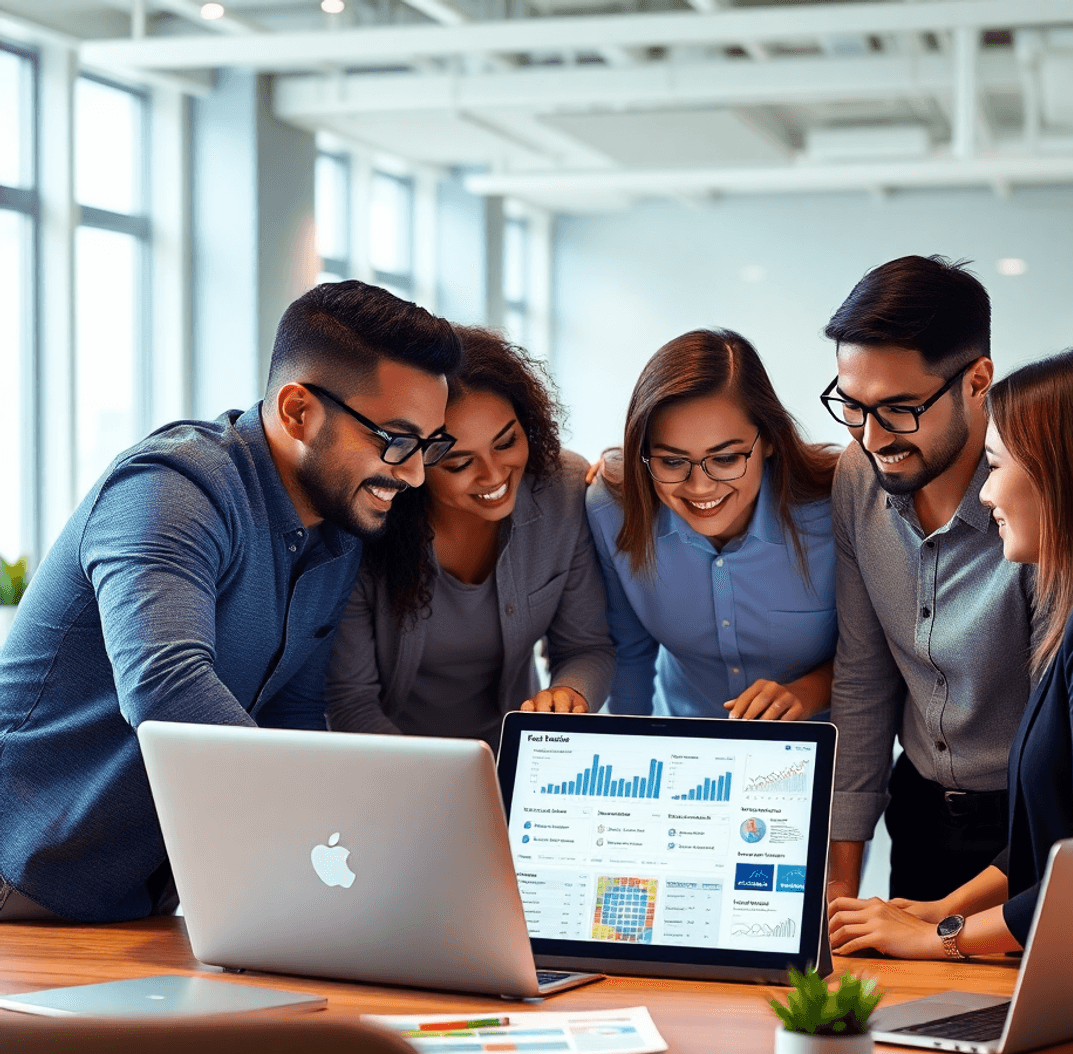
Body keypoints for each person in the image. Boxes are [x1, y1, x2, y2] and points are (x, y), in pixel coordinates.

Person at [0, 281, 461, 922]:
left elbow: (292, 718)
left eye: (430, 446)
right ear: (298, 411)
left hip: (139, 901)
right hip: (21, 879)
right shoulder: (174, 488)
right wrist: (319, 826)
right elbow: (165, 686)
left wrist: (330, 876)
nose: (413, 474)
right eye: (397, 439)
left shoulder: (336, 533)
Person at [828, 345, 1073, 965]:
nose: (987, 494)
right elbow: (1057, 838)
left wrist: (938, 938)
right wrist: (944, 911)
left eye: (996, 467)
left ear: (1070, 473)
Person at [823, 255, 1039, 904]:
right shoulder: (856, 479)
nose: (871, 436)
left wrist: (948, 921)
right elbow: (863, 679)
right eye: (853, 407)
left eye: (899, 409)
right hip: (920, 817)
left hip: (1034, 822)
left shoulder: (1036, 496)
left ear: (978, 381)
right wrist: (838, 888)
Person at [325, 325, 615, 753]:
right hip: (393, 766)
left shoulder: (563, 490)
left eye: (507, 442)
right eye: (460, 463)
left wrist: (571, 695)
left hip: (516, 760)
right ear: (414, 465)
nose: (494, 475)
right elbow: (350, 702)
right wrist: (441, 783)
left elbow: (587, 647)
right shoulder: (368, 523)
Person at [587, 328, 837, 720]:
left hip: (816, 755)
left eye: (725, 459)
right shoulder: (611, 510)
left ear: (770, 440)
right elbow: (629, 655)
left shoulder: (837, 507)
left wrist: (808, 691)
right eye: (671, 461)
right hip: (683, 754)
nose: (700, 486)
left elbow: (875, 656)